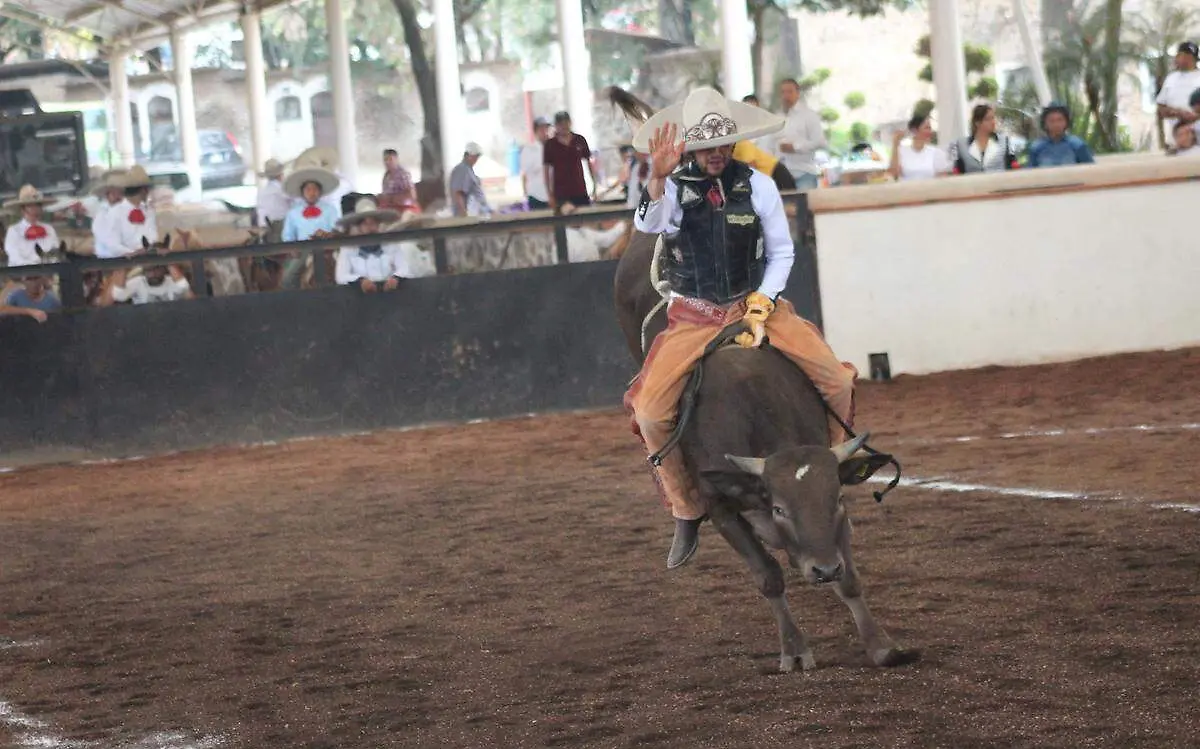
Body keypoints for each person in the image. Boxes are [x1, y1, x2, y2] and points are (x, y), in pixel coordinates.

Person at [626, 87, 860, 569]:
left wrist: (762, 302)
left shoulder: (758, 184)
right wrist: (656, 179)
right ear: (690, 146)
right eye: (707, 146)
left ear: (733, 144)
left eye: (723, 144)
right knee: (650, 413)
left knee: (837, 379)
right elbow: (649, 227)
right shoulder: (669, 187)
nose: (716, 154)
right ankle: (686, 506)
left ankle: (832, 469)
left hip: (756, 307)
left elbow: (781, 252)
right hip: (693, 316)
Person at [334, 196, 433, 289]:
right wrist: (360, 281)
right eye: (365, 224)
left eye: (373, 223)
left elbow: (404, 269)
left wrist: (395, 278)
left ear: (378, 224)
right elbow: (341, 276)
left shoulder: (391, 245)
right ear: (359, 226)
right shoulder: (348, 249)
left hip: (390, 296)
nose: (370, 227)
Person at [280, 164, 341, 288]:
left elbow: (337, 229)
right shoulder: (293, 213)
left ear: (320, 191)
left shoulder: (330, 210)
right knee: (287, 279)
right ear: (302, 192)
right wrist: (292, 248)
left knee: (341, 274)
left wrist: (328, 234)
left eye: (315, 189)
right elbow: (287, 235)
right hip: (303, 250)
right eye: (308, 189)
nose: (312, 193)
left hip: (327, 249)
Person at [95, 165, 159, 257]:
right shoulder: (113, 213)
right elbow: (112, 246)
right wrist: (133, 253)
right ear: (144, 191)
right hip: (123, 262)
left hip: (149, 259)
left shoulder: (149, 211)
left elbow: (153, 238)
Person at [775, 78, 827, 189]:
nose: (786, 96)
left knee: (803, 205)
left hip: (804, 173)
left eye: (789, 91)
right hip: (782, 173)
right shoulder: (777, 117)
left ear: (798, 94)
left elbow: (820, 142)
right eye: (783, 92)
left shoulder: (809, 115)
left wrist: (795, 147)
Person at [543, 110, 598, 212]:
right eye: (560, 124)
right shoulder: (550, 145)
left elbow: (589, 163)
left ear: (570, 122)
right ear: (556, 125)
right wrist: (549, 194)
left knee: (584, 221)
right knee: (564, 222)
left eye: (566, 122)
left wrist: (594, 186)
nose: (564, 126)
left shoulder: (579, 140)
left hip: (580, 189)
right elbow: (546, 170)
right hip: (560, 193)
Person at [948, 104, 1019, 174]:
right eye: (988, 119)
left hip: (999, 184)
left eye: (993, 118)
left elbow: (1014, 166)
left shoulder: (1005, 141)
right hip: (972, 184)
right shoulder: (961, 144)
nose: (993, 122)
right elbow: (957, 171)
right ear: (977, 123)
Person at [3, 185, 59, 266]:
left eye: (38, 205)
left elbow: (55, 252)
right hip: (22, 275)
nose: (36, 209)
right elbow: (15, 258)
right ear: (22, 209)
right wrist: (34, 266)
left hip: (48, 273)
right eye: (30, 205)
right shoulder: (14, 231)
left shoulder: (49, 229)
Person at [1157, 41, 1200, 146]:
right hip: (1177, 138)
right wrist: (1178, 113)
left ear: (1193, 59)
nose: (1182, 59)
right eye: (1180, 56)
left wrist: (1195, 116)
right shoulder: (1171, 79)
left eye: (1187, 57)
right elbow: (1161, 107)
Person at [1026, 103, 1095, 168]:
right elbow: (1030, 173)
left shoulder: (1077, 145)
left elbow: (1090, 170)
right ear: (1045, 124)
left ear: (1066, 122)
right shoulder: (1036, 147)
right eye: (1051, 121)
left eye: (1060, 120)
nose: (1056, 124)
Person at [888, 113, 950, 181]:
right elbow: (894, 174)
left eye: (930, 128)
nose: (930, 132)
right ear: (914, 130)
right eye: (927, 128)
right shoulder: (901, 151)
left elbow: (942, 179)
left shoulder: (936, 153)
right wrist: (895, 144)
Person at [449, 142, 490, 217]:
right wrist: (464, 214)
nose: (476, 159)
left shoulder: (468, 170)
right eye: (476, 156)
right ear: (468, 156)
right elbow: (458, 193)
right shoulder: (461, 169)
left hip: (476, 213)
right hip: (468, 214)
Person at [520, 118, 553, 210]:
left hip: (554, 194)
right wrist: (525, 194)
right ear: (535, 132)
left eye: (547, 129)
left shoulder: (554, 148)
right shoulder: (529, 150)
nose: (545, 132)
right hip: (536, 195)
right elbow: (525, 173)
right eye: (541, 129)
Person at [255, 159, 291, 228]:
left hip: (263, 225)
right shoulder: (282, 190)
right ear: (281, 175)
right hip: (280, 226)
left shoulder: (261, 191)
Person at [380, 148, 417, 213]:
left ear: (396, 160)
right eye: (385, 160)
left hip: (404, 208)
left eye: (390, 159)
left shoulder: (403, 174)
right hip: (389, 207)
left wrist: (393, 199)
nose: (387, 162)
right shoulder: (386, 175)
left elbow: (412, 196)